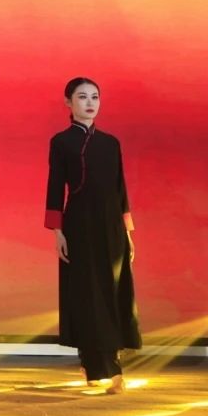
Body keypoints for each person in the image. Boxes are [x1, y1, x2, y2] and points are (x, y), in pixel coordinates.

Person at [44, 76, 141, 392]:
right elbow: (55, 187)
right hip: (80, 226)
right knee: (88, 295)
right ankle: (102, 367)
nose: (90, 103)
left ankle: (106, 364)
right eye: (82, 97)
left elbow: (120, 189)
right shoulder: (61, 142)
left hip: (112, 227)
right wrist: (58, 231)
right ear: (68, 102)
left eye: (95, 97)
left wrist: (128, 232)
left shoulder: (111, 143)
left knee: (112, 292)